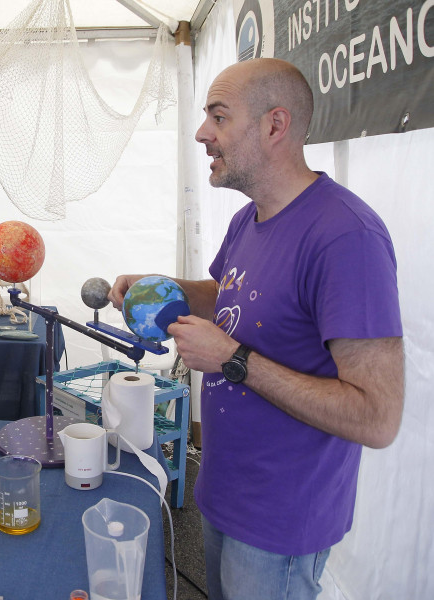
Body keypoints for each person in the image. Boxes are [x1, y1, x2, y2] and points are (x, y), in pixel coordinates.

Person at [109, 58, 403, 600]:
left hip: (282, 522)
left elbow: (377, 416)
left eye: (218, 118)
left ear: (275, 125)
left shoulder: (346, 236)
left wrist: (233, 360)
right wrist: (162, 285)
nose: (202, 134)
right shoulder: (251, 216)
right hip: (226, 495)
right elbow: (230, 295)